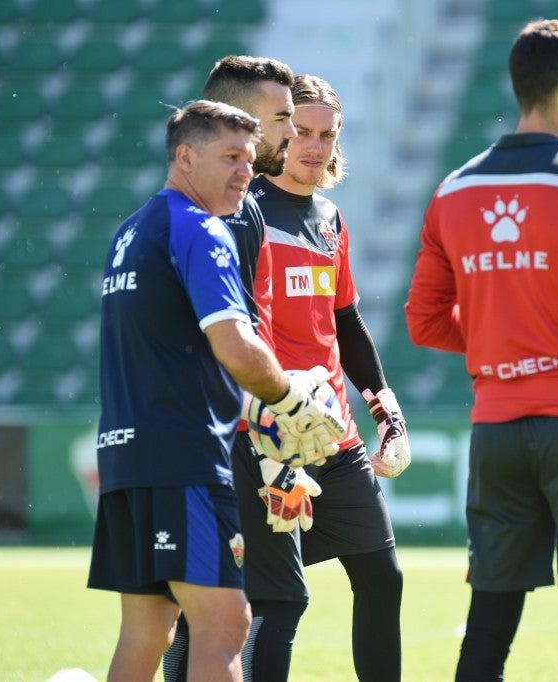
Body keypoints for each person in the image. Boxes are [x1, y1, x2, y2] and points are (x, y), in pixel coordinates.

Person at [404, 19, 558, 681]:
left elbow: (424, 322)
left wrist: (503, 340)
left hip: (496, 435)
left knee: (487, 637)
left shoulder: (453, 191)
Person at [88, 99, 345, 682]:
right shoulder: (200, 228)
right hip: (183, 457)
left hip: (127, 454)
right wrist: (290, 399)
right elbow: (235, 345)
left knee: (148, 628)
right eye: (229, 157)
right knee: (226, 624)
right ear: (185, 156)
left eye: (250, 160)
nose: (244, 173)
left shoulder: (131, 229)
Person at [252, 72, 410, 682]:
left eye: (328, 135)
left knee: (381, 577)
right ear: (279, 135)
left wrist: (386, 413)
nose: (315, 147)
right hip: (269, 439)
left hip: (334, 439)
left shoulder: (330, 219)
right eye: (302, 133)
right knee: (274, 598)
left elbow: (344, 322)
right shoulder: (245, 213)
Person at [162, 55, 313, 682]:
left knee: (186, 613)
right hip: (227, 433)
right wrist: (276, 426)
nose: (293, 135)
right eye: (282, 119)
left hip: (215, 428)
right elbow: (230, 337)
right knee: (266, 600)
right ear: (240, 122)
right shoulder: (221, 216)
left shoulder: (227, 208)